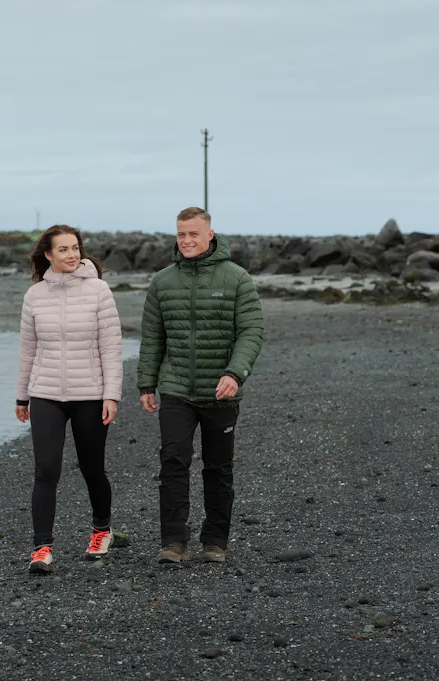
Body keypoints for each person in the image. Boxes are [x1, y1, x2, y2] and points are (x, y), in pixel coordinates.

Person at [138, 207, 265, 564]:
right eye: (181, 234)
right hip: (176, 389)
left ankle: (215, 542)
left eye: (194, 234)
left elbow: (252, 331)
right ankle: (173, 543)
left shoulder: (237, 278)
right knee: (173, 464)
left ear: (210, 235)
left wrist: (234, 374)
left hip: (221, 390)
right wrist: (146, 383)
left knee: (218, 468)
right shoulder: (163, 282)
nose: (187, 240)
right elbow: (153, 337)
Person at [16, 225, 123, 573]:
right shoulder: (35, 295)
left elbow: (111, 347)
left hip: (90, 394)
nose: (72, 255)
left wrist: (111, 395)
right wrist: (22, 396)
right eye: (63, 249)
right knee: (46, 469)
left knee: (92, 468)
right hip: (45, 393)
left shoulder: (99, 291)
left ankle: (102, 530)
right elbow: (27, 349)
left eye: (75, 248)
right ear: (48, 255)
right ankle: (41, 548)